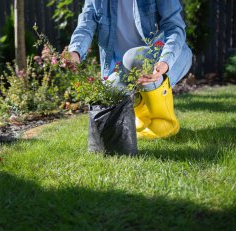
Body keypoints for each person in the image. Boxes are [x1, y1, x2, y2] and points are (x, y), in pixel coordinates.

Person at [68, 0, 192, 139]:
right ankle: (142, 117)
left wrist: (165, 61)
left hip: (166, 57)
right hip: (123, 66)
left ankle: (164, 123)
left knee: (134, 58)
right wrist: (75, 52)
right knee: (112, 87)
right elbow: (85, 25)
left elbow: (175, 27)